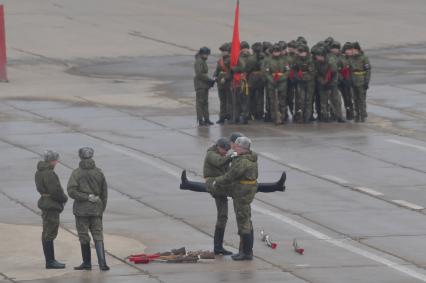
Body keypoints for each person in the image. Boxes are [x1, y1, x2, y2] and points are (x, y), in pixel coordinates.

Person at [207, 137, 258, 261]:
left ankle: (246, 253)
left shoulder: (242, 161)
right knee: (247, 220)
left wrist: (216, 181)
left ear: (243, 148)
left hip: (241, 193)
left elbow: (231, 175)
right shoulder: (250, 158)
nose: (234, 148)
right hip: (246, 192)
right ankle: (247, 251)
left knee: (243, 222)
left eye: (237, 146)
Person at [68, 147, 109, 271]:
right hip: (96, 209)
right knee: (98, 234)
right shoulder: (99, 172)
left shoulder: (76, 173)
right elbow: (104, 193)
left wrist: (85, 197)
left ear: (80, 157)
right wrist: (101, 208)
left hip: (81, 210)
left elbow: (71, 191)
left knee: (83, 235)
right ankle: (103, 264)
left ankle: (87, 263)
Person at [35, 150, 68, 269]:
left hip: (45, 203)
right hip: (51, 205)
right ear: (52, 160)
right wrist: (64, 198)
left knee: (46, 232)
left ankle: (50, 260)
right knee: (50, 232)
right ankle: (50, 261)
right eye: (56, 160)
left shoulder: (39, 172)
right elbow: (55, 191)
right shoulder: (49, 173)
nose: (57, 162)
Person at [203, 138, 234, 255]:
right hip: (214, 184)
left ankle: (218, 247)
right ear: (219, 147)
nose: (226, 152)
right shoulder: (211, 154)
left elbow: (228, 171)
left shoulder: (222, 156)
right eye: (224, 150)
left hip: (220, 184)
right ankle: (218, 247)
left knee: (223, 216)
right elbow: (219, 162)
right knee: (241, 191)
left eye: (227, 151)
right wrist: (231, 156)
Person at [263, 44, 290, 125]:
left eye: (278, 51)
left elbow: (287, 71)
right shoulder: (269, 60)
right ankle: (274, 117)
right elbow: (266, 72)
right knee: (272, 101)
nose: (276, 53)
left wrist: (282, 78)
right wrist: (271, 79)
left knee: (282, 101)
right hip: (272, 82)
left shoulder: (284, 60)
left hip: (282, 82)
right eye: (275, 52)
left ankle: (282, 117)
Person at [293, 44, 315, 123]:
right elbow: (294, 70)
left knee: (308, 100)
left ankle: (307, 117)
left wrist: (304, 78)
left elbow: (312, 73)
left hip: (309, 82)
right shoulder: (296, 59)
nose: (301, 54)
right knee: (300, 99)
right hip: (300, 81)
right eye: (300, 52)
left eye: (302, 52)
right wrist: (298, 78)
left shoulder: (310, 60)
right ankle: (300, 116)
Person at [194, 46, 215, 126]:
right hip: (200, 85)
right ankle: (200, 119)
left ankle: (206, 119)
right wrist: (209, 79)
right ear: (202, 54)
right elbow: (199, 74)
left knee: (205, 102)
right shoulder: (199, 61)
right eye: (205, 54)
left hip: (204, 84)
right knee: (200, 103)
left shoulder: (202, 61)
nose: (207, 56)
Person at [231, 41, 252, 124]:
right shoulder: (237, 57)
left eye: (246, 48)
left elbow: (245, 67)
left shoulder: (251, 58)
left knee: (245, 100)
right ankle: (236, 116)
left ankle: (245, 117)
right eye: (243, 49)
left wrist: (236, 68)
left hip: (246, 81)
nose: (245, 50)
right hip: (237, 81)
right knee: (237, 100)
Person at [350, 42, 371, 122]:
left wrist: (366, 81)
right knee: (354, 99)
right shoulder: (351, 58)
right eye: (351, 50)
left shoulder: (363, 58)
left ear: (357, 49)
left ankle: (362, 114)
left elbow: (368, 70)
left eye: (353, 50)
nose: (352, 51)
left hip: (361, 80)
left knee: (361, 99)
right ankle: (357, 114)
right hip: (353, 80)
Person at [214, 43, 232, 124]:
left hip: (228, 82)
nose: (223, 53)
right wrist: (215, 76)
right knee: (222, 101)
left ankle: (229, 116)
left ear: (228, 52)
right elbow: (217, 70)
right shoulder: (220, 61)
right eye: (222, 51)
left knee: (229, 100)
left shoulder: (231, 60)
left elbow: (231, 72)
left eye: (224, 51)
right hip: (220, 83)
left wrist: (226, 78)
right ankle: (222, 116)